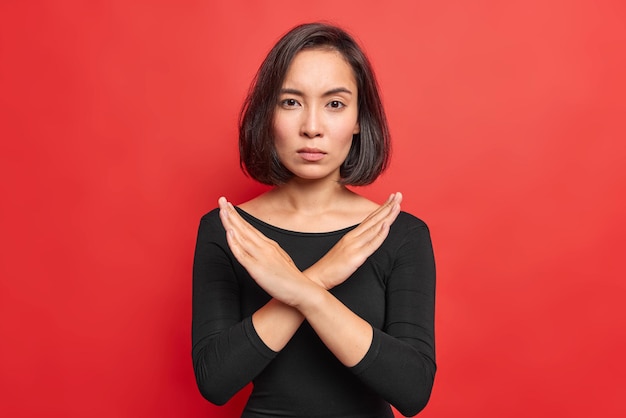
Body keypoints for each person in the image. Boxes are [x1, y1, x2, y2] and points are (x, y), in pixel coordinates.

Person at [192, 22, 436, 417]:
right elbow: (216, 381)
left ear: (359, 119)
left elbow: (412, 390)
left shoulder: (400, 235)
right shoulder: (229, 230)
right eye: (291, 102)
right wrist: (322, 276)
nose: (311, 127)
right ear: (268, 114)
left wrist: (304, 291)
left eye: (335, 104)